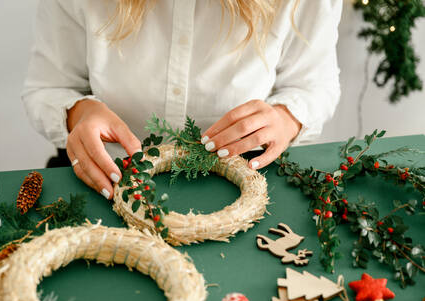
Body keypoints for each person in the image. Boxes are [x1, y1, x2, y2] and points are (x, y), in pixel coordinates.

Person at [22, 0, 342, 200]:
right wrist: (78, 113)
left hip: (247, 186)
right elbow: (48, 87)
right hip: (106, 181)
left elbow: (314, 85)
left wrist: (287, 117)